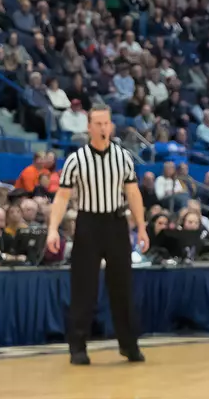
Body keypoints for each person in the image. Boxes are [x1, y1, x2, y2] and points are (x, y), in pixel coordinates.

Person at [48, 105, 147, 366]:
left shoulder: (123, 157)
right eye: (98, 124)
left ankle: (129, 345)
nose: (104, 128)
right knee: (83, 288)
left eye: (107, 123)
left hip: (116, 224)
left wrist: (142, 226)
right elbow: (62, 196)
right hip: (88, 223)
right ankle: (78, 347)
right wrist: (52, 229)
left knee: (122, 287)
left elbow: (133, 193)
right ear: (89, 127)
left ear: (111, 126)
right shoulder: (75, 159)